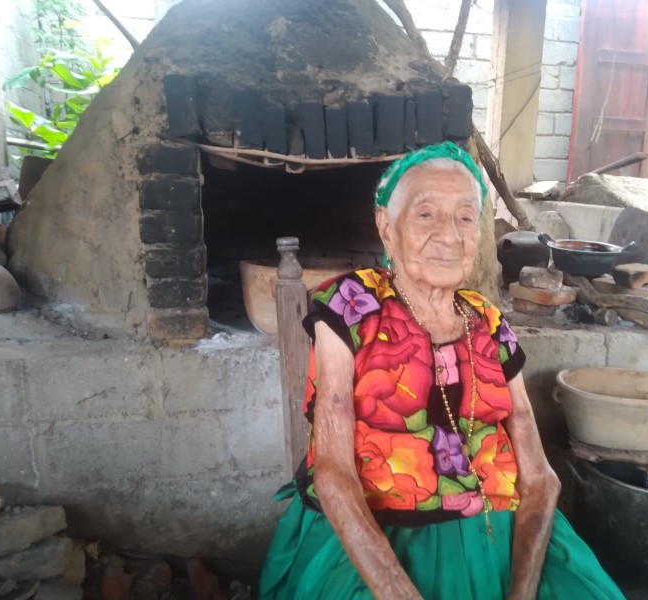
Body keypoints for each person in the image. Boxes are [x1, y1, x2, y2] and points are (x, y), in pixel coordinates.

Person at [259, 142, 624, 600]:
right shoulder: (350, 305)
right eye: (426, 214)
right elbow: (332, 472)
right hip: (378, 535)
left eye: (466, 216)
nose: (449, 235)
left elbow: (538, 474)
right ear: (386, 228)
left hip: (501, 529)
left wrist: (522, 590)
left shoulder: (488, 320)